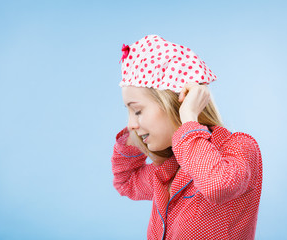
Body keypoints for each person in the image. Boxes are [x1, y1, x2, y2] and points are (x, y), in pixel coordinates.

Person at [111, 35, 262, 240]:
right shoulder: (168, 170)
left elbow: (217, 185)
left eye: (137, 111)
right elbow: (126, 182)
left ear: (174, 103)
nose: (130, 124)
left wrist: (189, 117)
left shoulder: (239, 147)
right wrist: (137, 130)